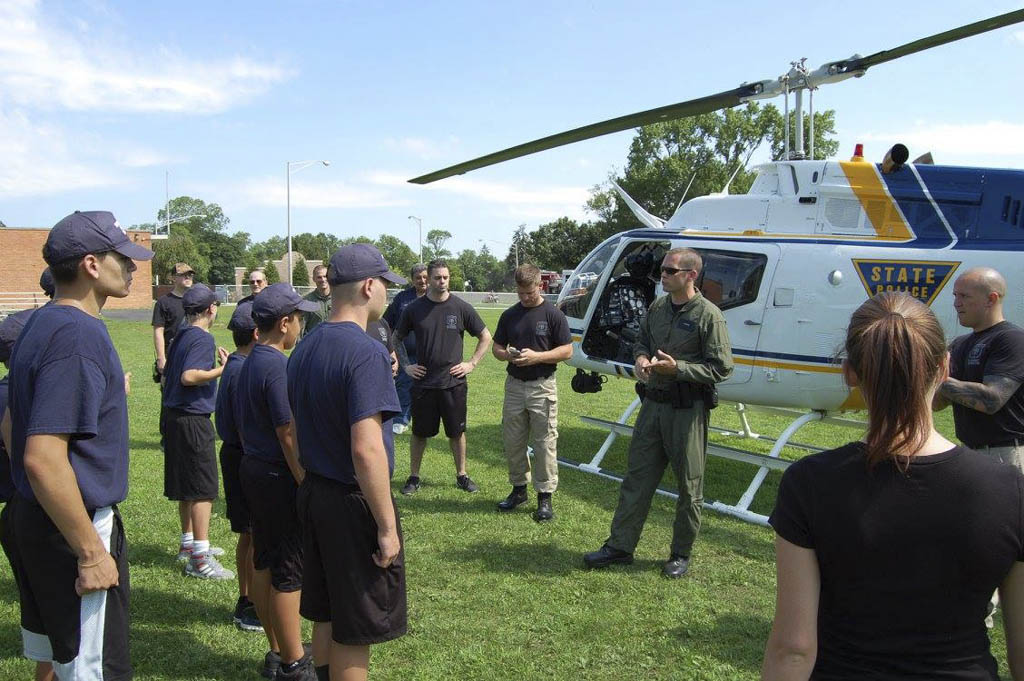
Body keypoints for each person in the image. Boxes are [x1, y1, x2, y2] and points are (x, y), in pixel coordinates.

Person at [762, 291, 1024, 681]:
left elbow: (794, 649)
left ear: (849, 372)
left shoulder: (811, 482)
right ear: (944, 368)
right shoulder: (1009, 489)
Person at [3, 210, 152, 679]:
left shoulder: (41, 324)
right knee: (94, 672)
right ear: (91, 264)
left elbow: (11, 426)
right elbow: (42, 458)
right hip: (73, 528)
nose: (133, 267)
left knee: (61, 664)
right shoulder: (77, 333)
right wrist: (90, 552)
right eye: (123, 258)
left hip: (37, 520)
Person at [287, 243, 407, 681]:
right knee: (355, 626)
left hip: (316, 492)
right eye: (385, 288)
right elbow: (367, 448)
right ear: (369, 286)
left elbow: (296, 429)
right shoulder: (365, 349)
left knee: (327, 611)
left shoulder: (305, 345)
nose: (387, 297)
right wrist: (387, 525)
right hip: (351, 501)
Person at [583, 247, 732, 578]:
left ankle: (680, 553)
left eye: (670, 271)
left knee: (689, 487)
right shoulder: (658, 308)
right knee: (637, 478)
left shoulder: (709, 315)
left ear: (691, 275)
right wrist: (639, 359)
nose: (662, 275)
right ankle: (620, 546)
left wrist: (677, 368)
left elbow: (721, 368)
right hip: (652, 407)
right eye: (663, 270)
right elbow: (642, 343)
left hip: (687, 411)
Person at [237, 283, 319, 681]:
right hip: (276, 474)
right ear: (285, 323)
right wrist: (302, 476)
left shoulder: (250, 359)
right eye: (299, 319)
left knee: (264, 560)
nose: (301, 326)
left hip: (253, 469)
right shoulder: (275, 365)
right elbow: (287, 430)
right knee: (289, 570)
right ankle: (294, 661)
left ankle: (275, 650)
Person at [393, 259, 492, 495]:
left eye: (446, 277)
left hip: (453, 384)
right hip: (424, 384)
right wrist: (407, 366)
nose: (442, 281)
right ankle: (414, 477)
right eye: (438, 277)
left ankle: (462, 476)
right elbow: (396, 337)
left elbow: (485, 336)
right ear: (428, 278)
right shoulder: (414, 309)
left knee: (457, 433)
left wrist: (471, 364)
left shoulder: (461, 307)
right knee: (419, 433)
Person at [162, 283, 233, 579]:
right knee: (203, 488)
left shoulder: (180, 334)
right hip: (193, 419)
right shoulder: (203, 338)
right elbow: (189, 376)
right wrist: (222, 370)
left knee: (186, 486)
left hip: (174, 417)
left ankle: (188, 544)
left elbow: (168, 374)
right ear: (211, 309)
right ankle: (200, 559)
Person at [491, 264, 573, 521]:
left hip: (542, 386)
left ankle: (545, 497)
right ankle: (518, 490)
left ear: (540, 285)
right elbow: (496, 347)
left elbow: (567, 351)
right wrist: (507, 355)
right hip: (514, 386)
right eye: (520, 293)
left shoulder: (553, 314)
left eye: (530, 292)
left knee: (544, 443)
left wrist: (538, 357)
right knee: (513, 441)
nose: (525, 297)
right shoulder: (509, 315)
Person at [0, 309, 55, 681]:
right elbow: (28, 458)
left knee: (44, 623)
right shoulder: (18, 396)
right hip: (32, 507)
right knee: (58, 623)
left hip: (15, 512)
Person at [934, 267, 1024, 472]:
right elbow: (938, 404)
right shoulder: (959, 344)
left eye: (964, 296)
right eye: (955, 296)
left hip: (1006, 454)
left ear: (991, 299)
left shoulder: (1012, 339)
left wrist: (933, 377)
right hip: (969, 453)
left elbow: (991, 400)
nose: (957, 303)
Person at [213, 302, 263, 632]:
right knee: (254, 533)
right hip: (243, 457)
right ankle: (250, 603)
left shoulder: (234, 362)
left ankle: (248, 598)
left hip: (235, 455)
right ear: (257, 333)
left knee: (248, 533)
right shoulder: (243, 370)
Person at [383, 263, 428, 434]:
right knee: (404, 384)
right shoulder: (402, 298)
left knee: (427, 387)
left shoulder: (435, 297)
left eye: (425, 277)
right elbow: (387, 322)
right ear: (412, 279)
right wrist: (389, 346)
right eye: (418, 278)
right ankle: (401, 418)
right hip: (405, 352)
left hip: (429, 352)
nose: (422, 281)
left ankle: (424, 417)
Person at [152, 262, 194, 378]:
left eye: (190, 275)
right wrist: (161, 358)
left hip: (192, 355)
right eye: (183, 274)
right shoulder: (163, 302)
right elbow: (158, 331)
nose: (188, 277)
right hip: (171, 356)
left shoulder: (196, 300)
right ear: (174, 278)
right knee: (170, 393)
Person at [300, 264, 331, 337]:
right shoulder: (306, 301)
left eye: (325, 276)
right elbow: (301, 329)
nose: (323, 280)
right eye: (319, 277)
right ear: (314, 279)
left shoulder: (338, 298)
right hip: (315, 345)